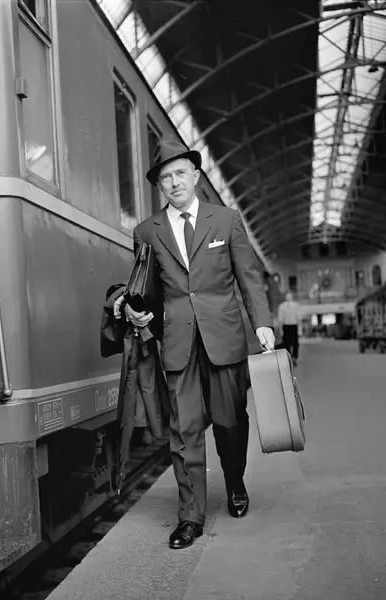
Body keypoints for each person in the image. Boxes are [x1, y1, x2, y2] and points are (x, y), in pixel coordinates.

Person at [116, 140, 274, 550]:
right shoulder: (146, 232)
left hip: (224, 336)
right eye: (166, 177)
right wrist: (133, 309)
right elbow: (145, 289)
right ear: (160, 186)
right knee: (184, 431)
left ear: (196, 176)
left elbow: (249, 276)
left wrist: (262, 323)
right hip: (177, 341)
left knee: (230, 422)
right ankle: (190, 517)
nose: (174, 182)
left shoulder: (226, 220)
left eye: (180, 173)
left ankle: (235, 481)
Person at [277, 291, 301, 366]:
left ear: (292, 297)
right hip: (286, 326)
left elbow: (299, 317)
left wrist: (300, 329)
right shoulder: (281, 306)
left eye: (290, 296)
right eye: (287, 296)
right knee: (286, 343)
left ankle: (295, 358)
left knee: (295, 343)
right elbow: (280, 319)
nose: (288, 297)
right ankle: (288, 358)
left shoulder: (296, 305)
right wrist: (281, 330)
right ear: (285, 297)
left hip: (294, 326)